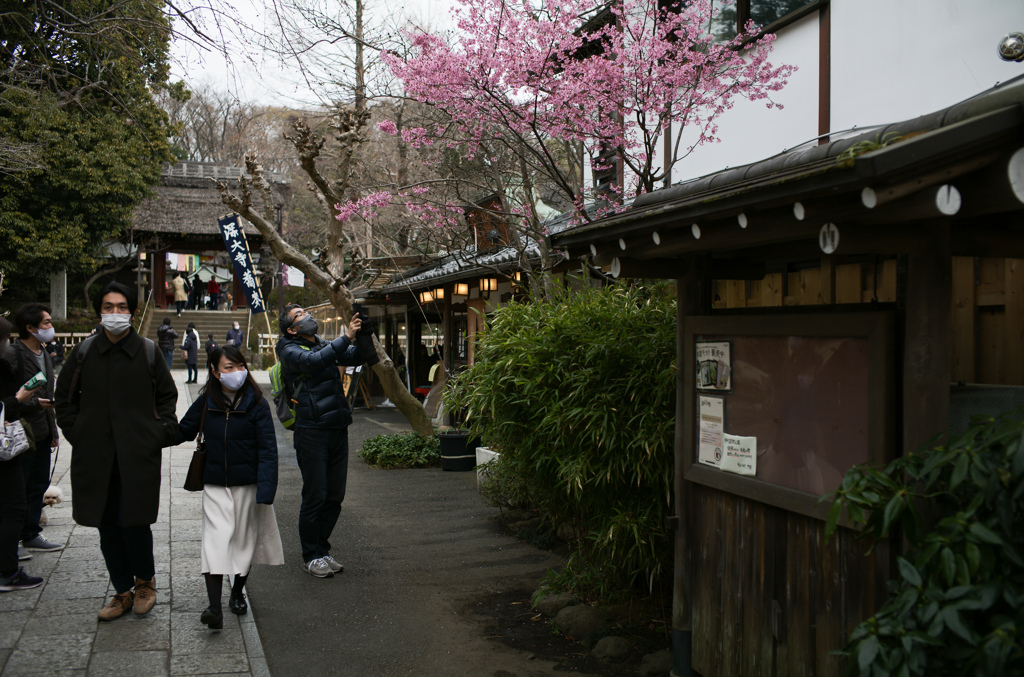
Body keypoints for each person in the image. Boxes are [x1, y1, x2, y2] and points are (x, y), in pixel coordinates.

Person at [54, 281, 179, 621]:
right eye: (108, 307)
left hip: (136, 457)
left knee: (135, 522)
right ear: (100, 312)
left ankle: (144, 583)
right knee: (106, 524)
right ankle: (122, 590)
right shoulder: (84, 353)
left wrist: (157, 434)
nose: (114, 313)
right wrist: (77, 433)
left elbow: (168, 399)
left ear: (132, 311)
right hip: (94, 458)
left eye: (121, 307)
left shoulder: (149, 352)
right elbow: (63, 400)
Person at [176, 345, 283, 628]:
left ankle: (237, 593)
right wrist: (146, 431)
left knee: (244, 543)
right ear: (214, 372)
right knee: (215, 540)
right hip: (214, 483)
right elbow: (182, 430)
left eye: (239, 366)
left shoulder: (257, 403)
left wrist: (266, 489)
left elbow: (269, 450)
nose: (236, 373)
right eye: (228, 368)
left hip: (247, 484)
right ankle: (214, 608)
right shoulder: (206, 401)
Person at [276, 304, 362, 578]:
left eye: (305, 311)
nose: (308, 315)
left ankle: (322, 550)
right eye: (300, 315)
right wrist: (345, 338)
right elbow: (314, 362)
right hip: (311, 430)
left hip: (337, 427)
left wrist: (364, 334)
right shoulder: (287, 349)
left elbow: (354, 356)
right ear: (291, 329)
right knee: (316, 495)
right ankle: (311, 555)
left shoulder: (324, 343)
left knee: (335, 496)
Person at [3, 303, 63, 555]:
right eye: (46, 323)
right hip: (20, 433)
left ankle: (31, 533)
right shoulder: (12, 355)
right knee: (19, 489)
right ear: (29, 327)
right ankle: (11, 541)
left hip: (42, 430)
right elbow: (8, 397)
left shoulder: (44, 352)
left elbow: (48, 394)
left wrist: (53, 431)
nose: (51, 327)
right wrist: (31, 402)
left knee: (39, 484)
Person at [0, 317, 46, 591]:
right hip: (3, 451)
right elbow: (5, 404)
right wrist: (18, 399)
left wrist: (32, 402)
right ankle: (7, 570)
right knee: (14, 506)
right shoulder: (5, 363)